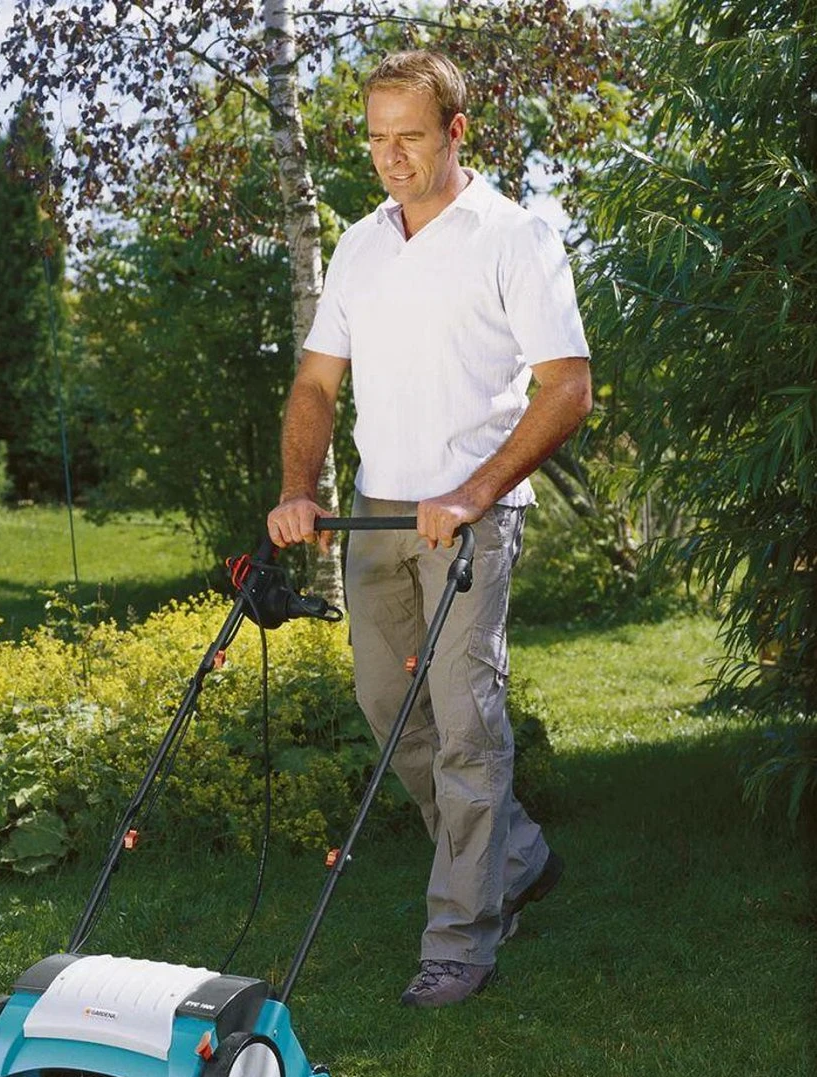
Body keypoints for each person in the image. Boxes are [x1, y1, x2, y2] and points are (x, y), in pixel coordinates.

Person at [266, 49, 592, 1007]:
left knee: (464, 725)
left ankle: (462, 938)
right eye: (377, 139)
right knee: (388, 711)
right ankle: (514, 856)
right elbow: (316, 384)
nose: (392, 157)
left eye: (410, 136)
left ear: (456, 132)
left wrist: (475, 493)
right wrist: (298, 488)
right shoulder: (360, 246)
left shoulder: (514, 237)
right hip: (375, 514)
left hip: (472, 519)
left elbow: (568, 388)